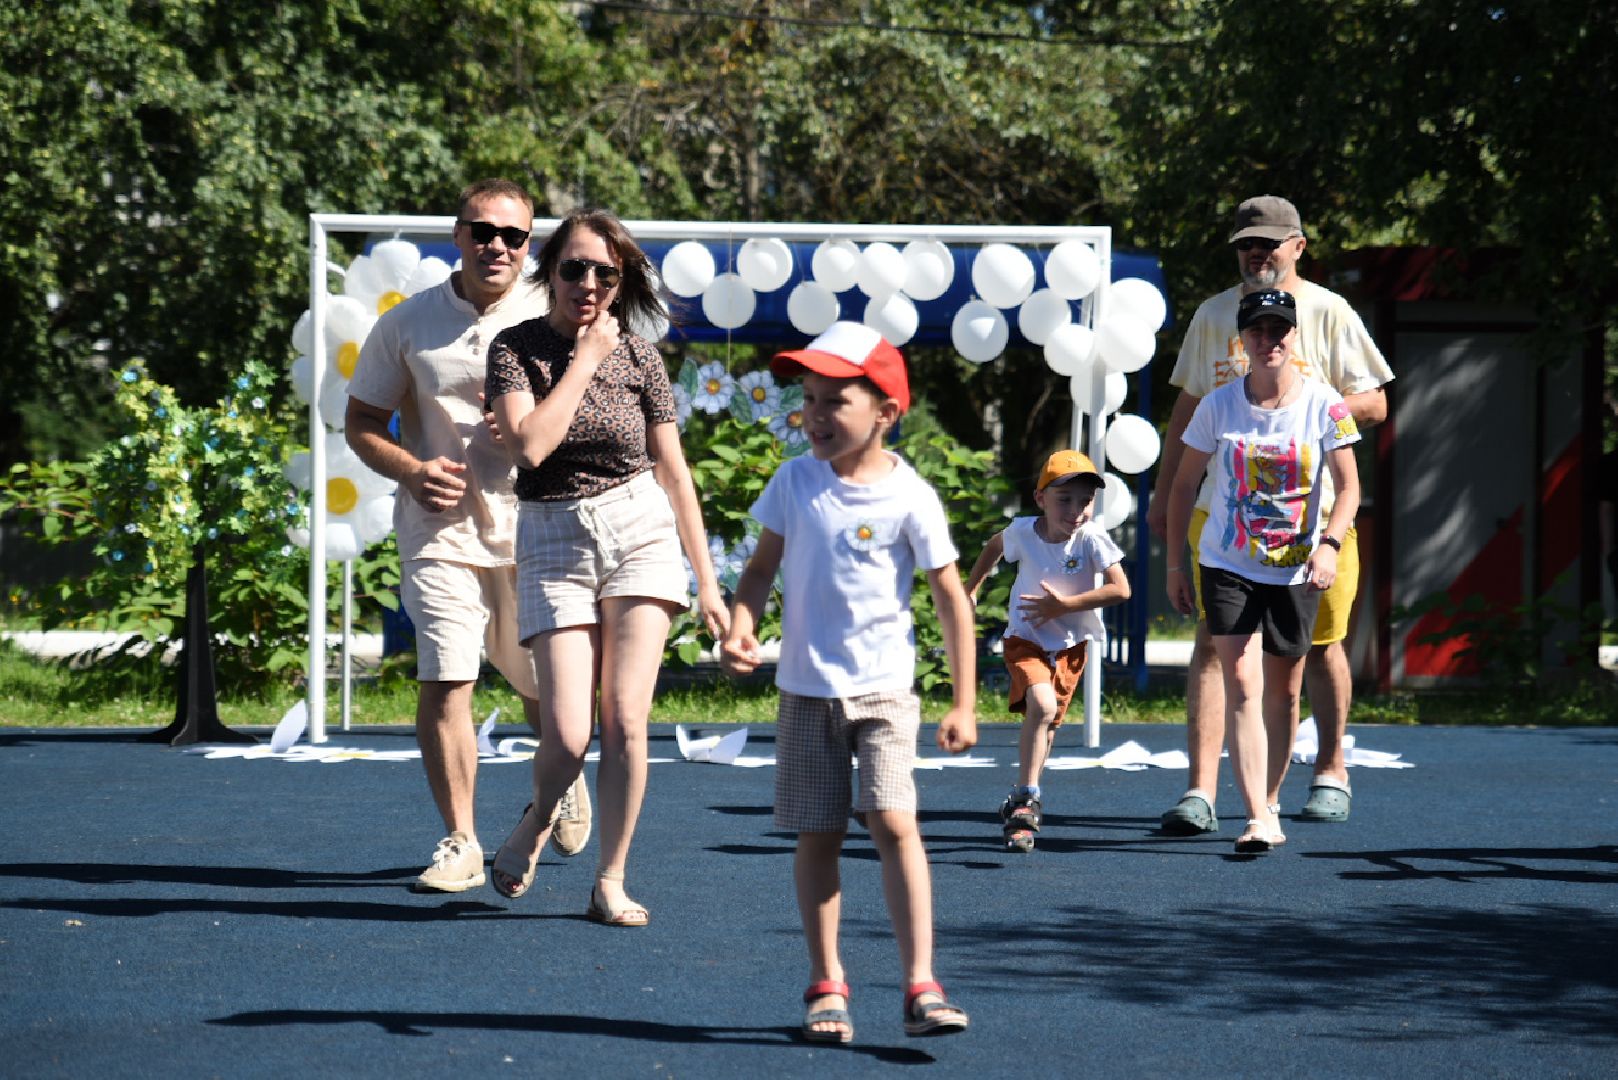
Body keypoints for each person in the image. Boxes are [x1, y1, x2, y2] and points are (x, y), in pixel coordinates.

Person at [719, 322, 976, 1044]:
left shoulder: (910, 495)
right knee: (820, 833)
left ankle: (921, 984)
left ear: (885, 412)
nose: (815, 415)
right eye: (808, 399)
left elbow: (951, 598)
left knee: (894, 822)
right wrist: (741, 624)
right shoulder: (794, 482)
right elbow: (760, 570)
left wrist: (964, 701)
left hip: (885, 690)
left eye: (835, 401)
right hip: (806, 691)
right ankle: (826, 981)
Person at [483, 207, 728, 924]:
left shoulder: (644, 358)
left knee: (625, 721)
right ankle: (539, 817)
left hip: (638, 529)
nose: (588, 284)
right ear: (550, 272)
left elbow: (673, 471)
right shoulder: (514, 348)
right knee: (567, 737)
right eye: (574, 268)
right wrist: (586, 359)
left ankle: (610, 880)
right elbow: (530, 448)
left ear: (622, 284)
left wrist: (708, 583)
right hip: (553, 534)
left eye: (605, 274)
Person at [346, 179, 591, 892]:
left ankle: (562, 778)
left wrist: (527, 428)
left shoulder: (556, 315)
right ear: (457, 236)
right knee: (447, 675)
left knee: (545, 687)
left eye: (513, 236)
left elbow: (594, 412)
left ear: (530, 245)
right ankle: (462, 842)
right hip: (439, 530)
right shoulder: (406, 322)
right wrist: (412, 469)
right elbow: (361, 422)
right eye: (482, 231)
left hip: (538, 525)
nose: (496, 246)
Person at [1146, 195, 1393, 834]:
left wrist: (1304, 407)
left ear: (1298, 247)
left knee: (1322, 644)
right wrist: (1163, 491)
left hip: (1314, 519)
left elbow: (1375, 404)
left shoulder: (1328, 311)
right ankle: (1201, 789)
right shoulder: (1213, 315)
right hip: (1222, 514)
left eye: (1269, 243)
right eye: (1246, 245)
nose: (1257, 253)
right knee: (1212, 645)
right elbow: (1188, 409)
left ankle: (1330, 769)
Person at [1164, 289, 1361, 852]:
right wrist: (1175, 563)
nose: (1269, 341)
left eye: (1278, 330)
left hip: (1296, 567)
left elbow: (1349, 487)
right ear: (1243, 340)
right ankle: (1256, 816)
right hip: (1228, 562)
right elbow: (1183, 485)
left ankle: (1270, 800)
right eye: (1258, 331)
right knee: (1243, 685)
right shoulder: (1217, 406)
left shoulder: (1325, 404)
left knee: (1284, 692)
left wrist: (1329, 545)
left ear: (1293, 337)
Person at [963, 449, 1130, 852]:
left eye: (1085, 501)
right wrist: (970, 589)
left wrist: (1064, 606)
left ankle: (1021, 802)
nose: (1075, 510)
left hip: (1070, 646)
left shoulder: (1091, 538)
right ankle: (1027, 797)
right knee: (1041, 704)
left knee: (1048, 723)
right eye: (1064, 499)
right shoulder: (1022, 531)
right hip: (1026, 638)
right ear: (1041, 498)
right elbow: (993, 547)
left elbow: (1121, 589)